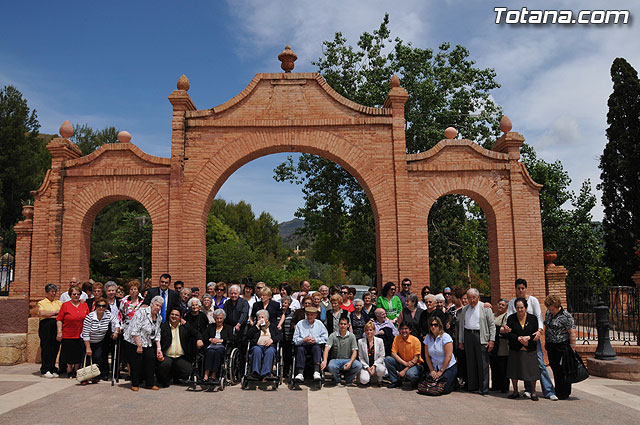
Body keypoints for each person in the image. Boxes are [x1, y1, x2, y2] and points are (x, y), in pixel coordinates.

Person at [507, 278, 557, 400]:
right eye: (518, 288)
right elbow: (510, 318)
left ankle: (549, 391)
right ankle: (528, 389)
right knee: (523, 364)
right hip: (518, 339)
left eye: (522, 288)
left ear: (526, 288)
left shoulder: (533, 300)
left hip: (532, 337)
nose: (520, 290)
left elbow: (538, 317)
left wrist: (539, 331)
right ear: (515, 289)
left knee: (539, 363)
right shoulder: (512, 302)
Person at [457, 288, 495, 396]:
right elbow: (461, 326)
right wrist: (461, 341)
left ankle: (484, 388)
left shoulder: (485, 307)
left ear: (478, 297)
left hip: (481, 336)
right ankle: (473, 386)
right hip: (468, 335)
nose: (471, 300)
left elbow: (492, 325)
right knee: (471, 362)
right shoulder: (465, 309)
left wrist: (491, 340)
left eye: (473, 297)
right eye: (469, 298)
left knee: (483, 363)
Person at [124, 295, 164, 391]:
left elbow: (157, 333)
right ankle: (135, 384)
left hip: (147, 341)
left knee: (150, 360)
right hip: (133, 341)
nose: (158, 308)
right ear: (151, 304)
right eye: (157, 305)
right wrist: (139, 345)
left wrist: (159, 349)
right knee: (136, 363)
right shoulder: (141, 313)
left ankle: (149, 383)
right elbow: (135, 330)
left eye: (160, 306)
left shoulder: (159, 317)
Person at [158, 308, 204, 387]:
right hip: (166, 356)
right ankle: (165, 379)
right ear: (169, 315)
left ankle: (176, 377)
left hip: (180, 357)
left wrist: (199, 339)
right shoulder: (163, 327)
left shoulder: (184, 326)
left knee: (189, 371)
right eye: (172, 314)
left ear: (180, 317)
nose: (174, 316)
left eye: (176, 315)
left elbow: (196, 333)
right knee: (165, 365)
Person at [506, 297, 541, 401]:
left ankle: (533, 392)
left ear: (526, 308)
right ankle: (515, 391)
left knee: (532, 371)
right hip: (515, 348)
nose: (520, 310)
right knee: (514, 371)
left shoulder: (533, 318)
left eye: (521, 307)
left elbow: (535, 332)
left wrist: (528, 338)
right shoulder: (511, 318)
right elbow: (509, 333)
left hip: (529, 348)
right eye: (517, 308)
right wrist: (519, 339)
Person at [81, 297, 121, 384]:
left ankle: (95, 376)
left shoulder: (108, 314)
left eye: (103, 306)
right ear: (96, 306)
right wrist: (88, 347)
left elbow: (116, 322)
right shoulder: (90, 317)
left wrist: (116, 332)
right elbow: (85, 333)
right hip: (88, 340)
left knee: (98, 357)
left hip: (99, 341)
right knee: (87, 358)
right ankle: (84, 378)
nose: (101, 308)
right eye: (99, 306)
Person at [544, 294, 577, 400]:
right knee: (555, 368)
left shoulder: (566, 316)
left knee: (563, 369)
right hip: (551, 346)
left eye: (553, 309)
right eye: (550, 309)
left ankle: (564, 392)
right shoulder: (548, 313)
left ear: (557, 306)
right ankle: (558, 389)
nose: (551, 311)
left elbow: (572, 333)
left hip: (562, 346)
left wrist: (573, 348)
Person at [56, 286, 90, 378]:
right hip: (68, 333)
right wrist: (59, 331)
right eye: (74, 294)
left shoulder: (84, 305)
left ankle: (77, 370)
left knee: (78, 353)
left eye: (78, 294)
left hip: (81, 333)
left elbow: (88, 318)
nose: (76, 296)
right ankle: (69, 370)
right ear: (70, 295)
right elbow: (59, 319)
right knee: (69, 353)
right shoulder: (65, 305)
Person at [321, 316, 361, 386]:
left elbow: (355, 351)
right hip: (336, 360)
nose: (343, 326)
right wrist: (325, 361)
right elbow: (326, 349)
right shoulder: (333, 335)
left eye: (345, 324)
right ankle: (337, 380)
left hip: (348, 359)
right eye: (341, 324)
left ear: (348, 325)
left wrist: (350, 362)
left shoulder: (352, 336)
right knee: (331, 366)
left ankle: (348, 379)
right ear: (338, 324)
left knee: (358, 365)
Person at [293, 306, 328, 382]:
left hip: (315, 345)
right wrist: (303, 340)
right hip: (303, 345)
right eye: (308, 314)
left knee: (317, 347)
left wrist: (316, 340)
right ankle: (300, 373)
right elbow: (295, 339)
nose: (309, 316)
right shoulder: (300, 324)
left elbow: (325, 338)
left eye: (312, 315)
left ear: (315, 315)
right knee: (300, 349)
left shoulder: (319, 324)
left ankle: (316, 371)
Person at [423, 317, 458, 395]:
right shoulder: (428, 337)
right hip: (435, 367)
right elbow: (427, 355)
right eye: (431, 325)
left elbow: (448, 356)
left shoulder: (445, 337)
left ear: (440, 326)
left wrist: (441, 372)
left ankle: (454, 382)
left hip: (447, 367)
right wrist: (432, 370)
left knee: (442, 388)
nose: (433, 327)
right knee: (431, 386)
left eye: (435, 325)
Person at [385, 322, 423, 388]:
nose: (404, 331)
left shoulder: (416, 340)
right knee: (388, 359)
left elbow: (416, 358)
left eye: (406, 329)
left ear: (410, 330)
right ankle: (395, 381)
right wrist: (405, 363)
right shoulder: (397, 338)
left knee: (410, 374)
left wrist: (405, 370)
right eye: (402, 329)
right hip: (403, 363)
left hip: (415, 365)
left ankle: (416, 383)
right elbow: (393, 353)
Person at [247, 309, 282, 379]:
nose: (260, 319)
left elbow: (280, 336)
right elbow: (248, 335)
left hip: (269, 346)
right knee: (256, 350)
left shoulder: (272, 326)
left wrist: (272, 340)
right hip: (257, 346)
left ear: (267, 319)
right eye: (259, 317)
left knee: (270, 351)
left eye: (262, 317)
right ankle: (255, 372)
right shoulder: (255, 327)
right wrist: (256, 326)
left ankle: (266, 373)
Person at [202, 309, 234, 383]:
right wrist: (210, 339)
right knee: (210, 352)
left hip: (222, 346)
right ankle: (206, 374)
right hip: (211, 346)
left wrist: (221, 340)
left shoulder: (228, 328)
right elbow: (204, 336)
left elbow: (232, 338)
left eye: (220, 318)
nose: (219, 320)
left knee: (218, 353)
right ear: (214, 318)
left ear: (223, 318)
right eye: (217, 318)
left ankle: (214, 374)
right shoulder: (211, 326)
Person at [38, 283, 62, 378]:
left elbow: (61, 314)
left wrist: (51, 314)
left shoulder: (59, 303)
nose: (53, 293)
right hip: (46, 326)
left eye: (55, 291)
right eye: (52, 291)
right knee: (46, 347)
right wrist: (55, 312)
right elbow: (42, 313)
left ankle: (52, 367)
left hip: (56, 326)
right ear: (47, 293)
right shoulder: (42, 302)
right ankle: (45, 369)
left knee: (55, 347)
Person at [357, 321, 386, 386]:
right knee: (364, 380)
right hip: (366, 365)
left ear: (374, 330)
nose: (369, 332)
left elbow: (382, 356)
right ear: (365, 331)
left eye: (370, 330)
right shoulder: (360, 342)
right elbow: (361, 357)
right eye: (367, 330)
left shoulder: (380, 341)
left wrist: (375, 365)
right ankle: (368, 377)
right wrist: (367, 367)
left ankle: (380, 380)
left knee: (381, 369)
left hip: (377, 365)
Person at [491, 298, 510, 393]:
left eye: (503, 305)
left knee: (503, 366)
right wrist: (498, 329)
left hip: (502, 344)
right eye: (499, 304)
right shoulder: (492, 315)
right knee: (494, 365)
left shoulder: (506, 316)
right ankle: (495, 385)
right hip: (493, 343)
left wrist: (494, 328)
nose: (500, 306)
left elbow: (505, 330)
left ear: (506, 307)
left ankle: (504, 387)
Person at [277, 295, 295, 380]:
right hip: (280, 336)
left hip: (289, 337)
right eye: (282, 302)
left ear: (289, 304)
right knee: (279, 355)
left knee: (288, 355)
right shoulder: (278, 312)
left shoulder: (292, 313)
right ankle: (278, 371)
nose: (283, 304)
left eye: (285, 303)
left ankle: (286, 372)